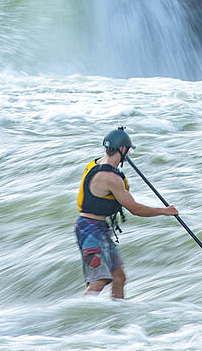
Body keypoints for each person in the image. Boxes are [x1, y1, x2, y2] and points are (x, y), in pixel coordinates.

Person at [75, 126, 178, 298]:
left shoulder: (96, 163)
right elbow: (135, 209)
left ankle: (116, 319)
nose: (128, 154)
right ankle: (80, 320)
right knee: (98, 282)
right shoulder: (110, 178)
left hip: (99, 227)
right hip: (89, 230)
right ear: (123, 149)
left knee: (118, 277)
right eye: (127, 150)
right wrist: (165, 211)